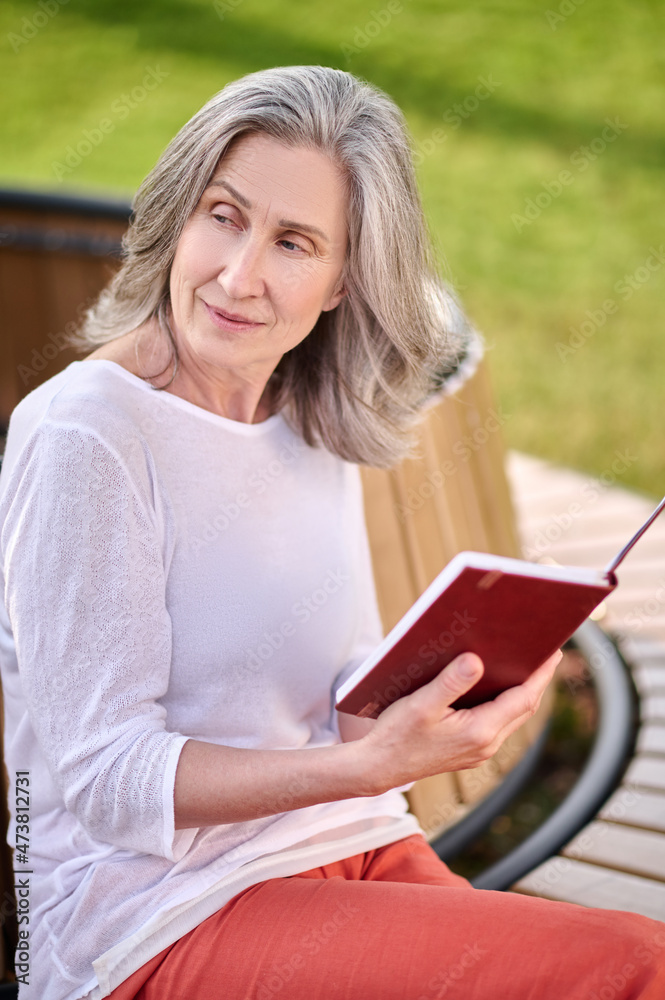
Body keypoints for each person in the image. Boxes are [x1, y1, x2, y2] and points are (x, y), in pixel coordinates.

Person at [0, 65, 663, 1000]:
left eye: (293, 242)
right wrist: (365, 764)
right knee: (635, 965)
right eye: (221, 215)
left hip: (347, 843)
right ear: (178, 213)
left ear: (345, 278)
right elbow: (106, 782)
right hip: (155, 915)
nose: (238, 275)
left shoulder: (310, 414)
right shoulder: (88, 436)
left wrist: (446, 700)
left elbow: (339, 700)